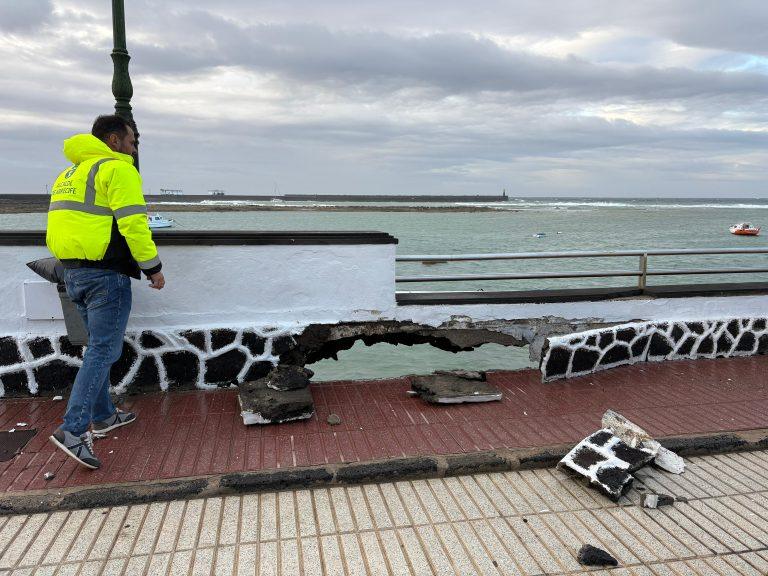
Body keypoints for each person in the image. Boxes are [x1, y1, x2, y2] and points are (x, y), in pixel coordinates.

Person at [46, 115, 165, 469]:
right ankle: (72, 429)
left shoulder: (70, 174)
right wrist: (153, 267)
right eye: (132, 141)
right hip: (105, 275)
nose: (134, 149)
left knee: (96, 348)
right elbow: (134, 224)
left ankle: (103, 416)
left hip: (73, 272)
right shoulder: (117, 169)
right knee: (103, 350)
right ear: (114, 140)